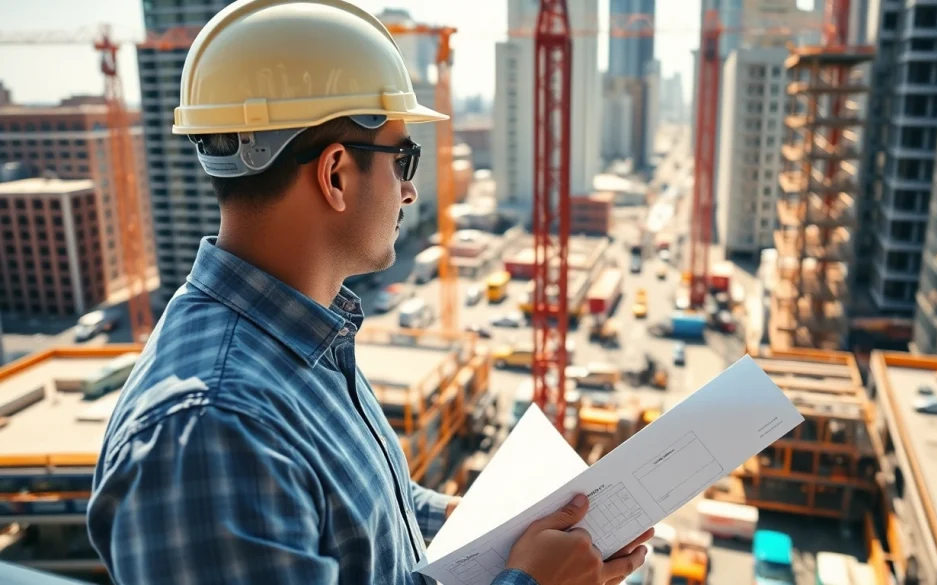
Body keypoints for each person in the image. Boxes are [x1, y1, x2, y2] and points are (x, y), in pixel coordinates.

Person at [85, 1, 652, 584]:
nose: (409, 190)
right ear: (335, 175)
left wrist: (495, 526)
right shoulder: (212, 431)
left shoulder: (300, 345)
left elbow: (362, 517)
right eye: (403, 158)